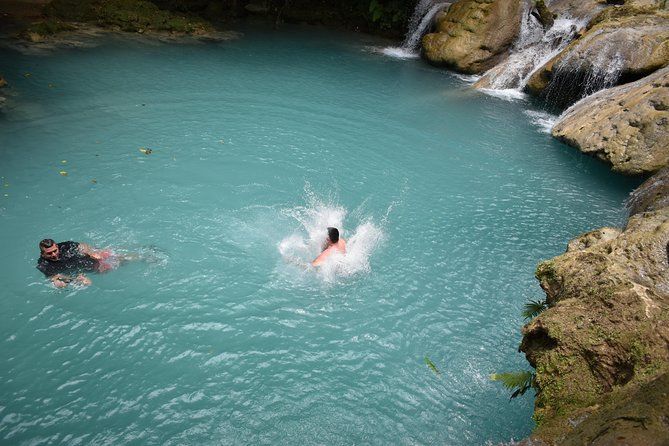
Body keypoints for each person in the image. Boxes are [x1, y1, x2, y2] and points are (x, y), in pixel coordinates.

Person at [36, 239, 116, 288]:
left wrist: (90, 252)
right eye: (49, 253)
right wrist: (76, 279)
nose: (54, 254)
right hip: (82, 269)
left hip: (86, 259)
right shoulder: (43, 264)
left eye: (55, 251)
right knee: (60, 285)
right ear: (43, 254)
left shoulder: (65, 246)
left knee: (112, 257)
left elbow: (83, 245)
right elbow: (54, 277)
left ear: (57, 247)